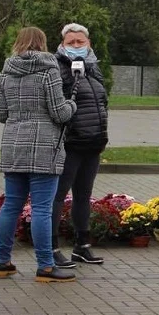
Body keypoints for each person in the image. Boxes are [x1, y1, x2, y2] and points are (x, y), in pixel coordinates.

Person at [0, 27, 77, 282]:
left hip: (13, 146)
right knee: (41, 208)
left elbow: (1, 115)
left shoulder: (5, 73)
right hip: (43, 147)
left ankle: (3, 262)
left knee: (11, 205)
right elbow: (59, 113)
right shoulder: (48, 71)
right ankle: (46, 266)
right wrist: (72, 104)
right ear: (42, 43)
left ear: (18, 44)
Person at [49, 23, 109, 269]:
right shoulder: (57, 68)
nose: (75, 46)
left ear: (88, 44)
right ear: (62, 45)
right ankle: (51, 248)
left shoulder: (94, 69)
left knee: (83, 196)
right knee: (58, 196)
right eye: (70, 42)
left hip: (93, 143)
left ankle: (81, 246)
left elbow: (103, 102)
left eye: (80, 42)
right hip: (69, 144)